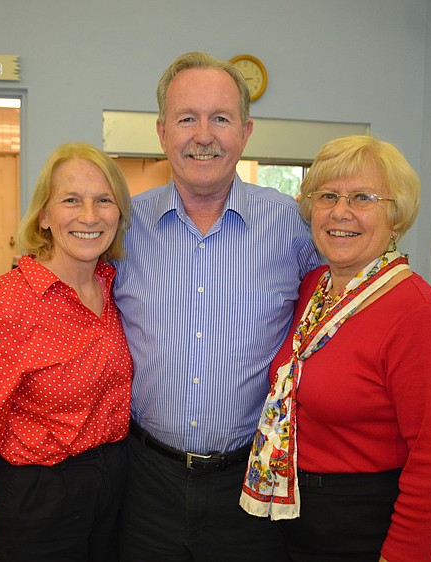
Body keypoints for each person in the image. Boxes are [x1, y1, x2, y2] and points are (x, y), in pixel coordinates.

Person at [113, 51, 320, 560]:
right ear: (162, 132)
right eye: (187, 118)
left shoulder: (292, 226)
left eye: (220, 118)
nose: (203, 135)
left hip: (252, 484)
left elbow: (344, 303)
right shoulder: (121, 229)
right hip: (145, 483)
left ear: (246, 131)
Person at [240, 135, 431, 562]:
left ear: (395, 218)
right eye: (328, 196)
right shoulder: (314, 289)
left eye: (362, 197)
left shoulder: (415, 314)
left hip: (359, 522)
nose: (340, 212)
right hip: (290, 507)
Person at [0, 142, 133, 562]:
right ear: (45, 215)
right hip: (41, 501)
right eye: (71, 200)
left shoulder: (114, 285)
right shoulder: (4, 304)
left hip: (116, 487)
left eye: (104, 200)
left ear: (118, 214)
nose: (89, 215)